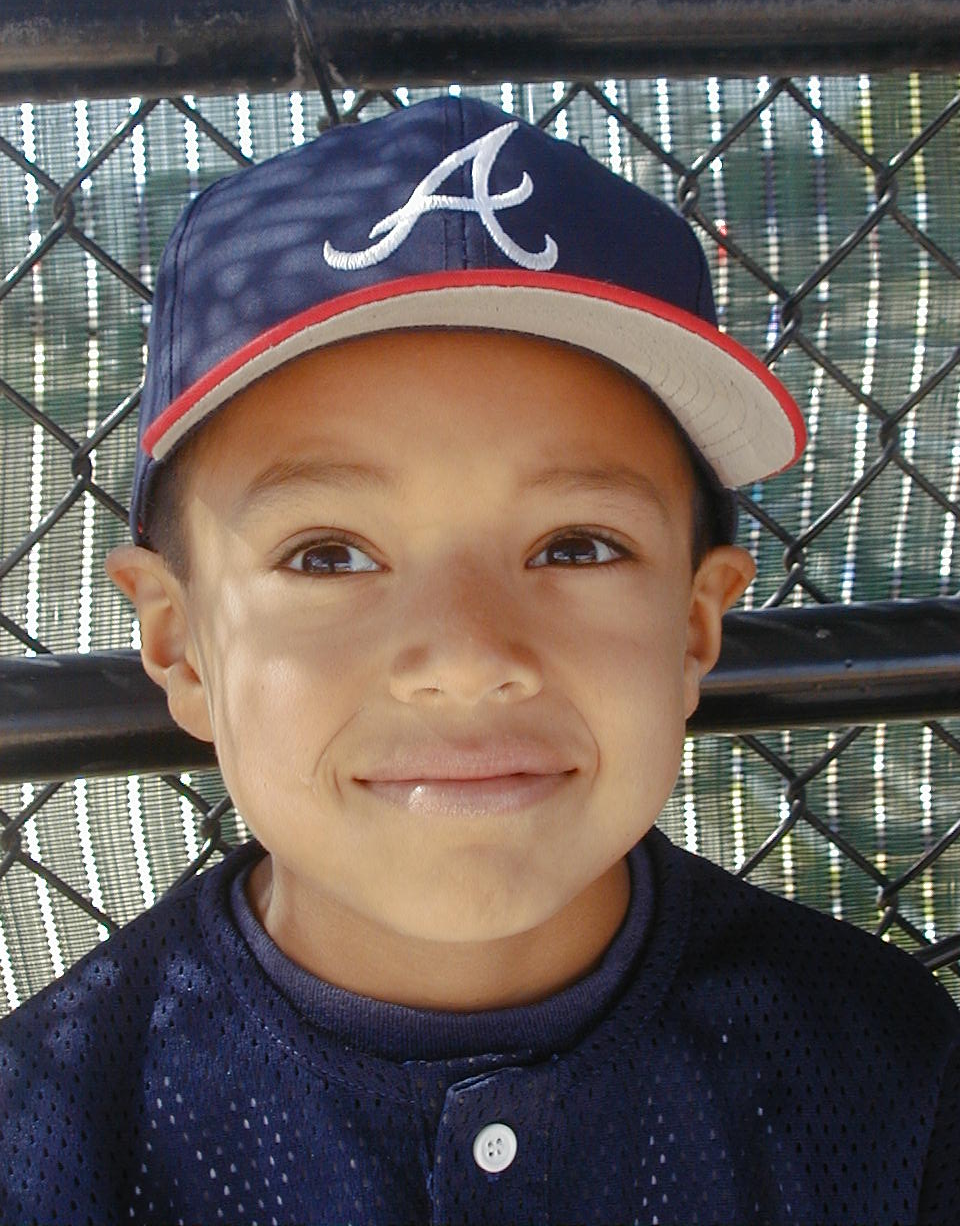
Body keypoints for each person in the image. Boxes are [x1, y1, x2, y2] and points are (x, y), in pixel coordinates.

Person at [0, 93, 957, 1226]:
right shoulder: (47, 1132)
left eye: (577, 545)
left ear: (695, 627)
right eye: (328, 555)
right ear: (181, 645)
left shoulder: (894, 1076)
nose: (465, 658)